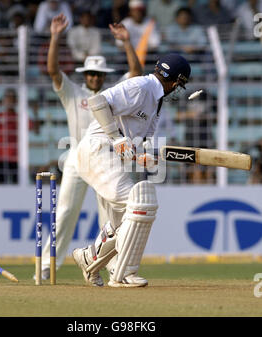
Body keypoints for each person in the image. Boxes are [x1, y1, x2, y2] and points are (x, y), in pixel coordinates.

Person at [37, 12, 143, 281]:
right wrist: (55, 37)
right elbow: (52, 70)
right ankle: (48, 265)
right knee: (65, 213)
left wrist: (128, 43)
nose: (95, 77)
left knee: (108, 218)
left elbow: (136, 75)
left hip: (106, 159)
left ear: (103, 76)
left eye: (99, 74)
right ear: (86, 74)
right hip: (75, 157)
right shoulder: (74, 92)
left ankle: (103, 266)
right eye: (91, 73)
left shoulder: (113, 95)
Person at [73, 53, 191, 287]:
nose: (179, 88)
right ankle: (122, 272)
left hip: (111, 159)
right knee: (140, 204)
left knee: (121, 224)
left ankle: (94, 262)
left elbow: (141, 141)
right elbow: (98, 103)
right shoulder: (141, 86)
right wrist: (116, 138)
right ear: (175, 80)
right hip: (97, 151)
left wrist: (144, 156)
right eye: (180, 83)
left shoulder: (156, 101)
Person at [0, 88, 39, 184]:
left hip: (17, 159)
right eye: (7, 98)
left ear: (16, 101)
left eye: (12, 98)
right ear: (4, 100)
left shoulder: (20, 117)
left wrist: (35, 112)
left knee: (17, 186)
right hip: (1, 158)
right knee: (1, 186)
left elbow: (36, 131)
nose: (9, 101)